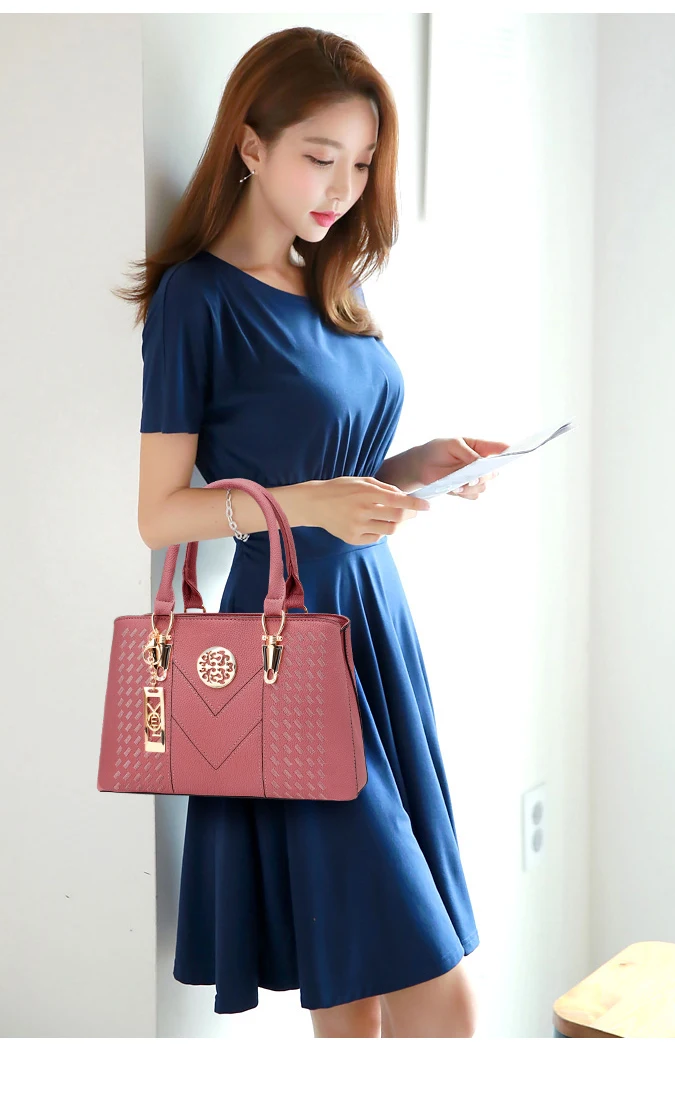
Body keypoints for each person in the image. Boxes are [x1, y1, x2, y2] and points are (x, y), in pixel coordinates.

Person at [117, 25, 506, 1038]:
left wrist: (412, 467)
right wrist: (311, 503)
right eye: (319, 156)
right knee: (435, 993)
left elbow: (331, 470)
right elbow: (161, 511)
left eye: (362, 163)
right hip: (285, 639)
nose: (342, 186)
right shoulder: (197, 300)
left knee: (356, 983)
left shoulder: (333, 280)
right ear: (250, 145)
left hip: (371, 621)